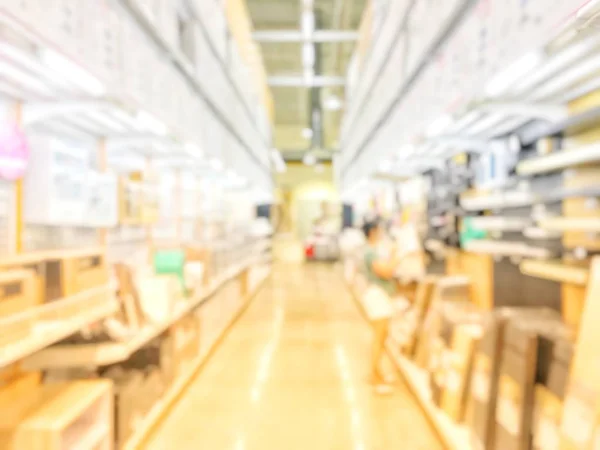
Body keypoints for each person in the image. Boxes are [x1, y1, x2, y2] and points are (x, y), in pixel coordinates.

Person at [362, 219, 404, 393]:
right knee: (379, 335)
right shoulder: (371, 252)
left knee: (382, 334)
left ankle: (377, 371)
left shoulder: (374, 251)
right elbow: (385, 272)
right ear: (372, 232)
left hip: (380, 295)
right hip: (377, 296)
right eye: (379, 230)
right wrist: (396, 257)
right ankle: (374, 374)